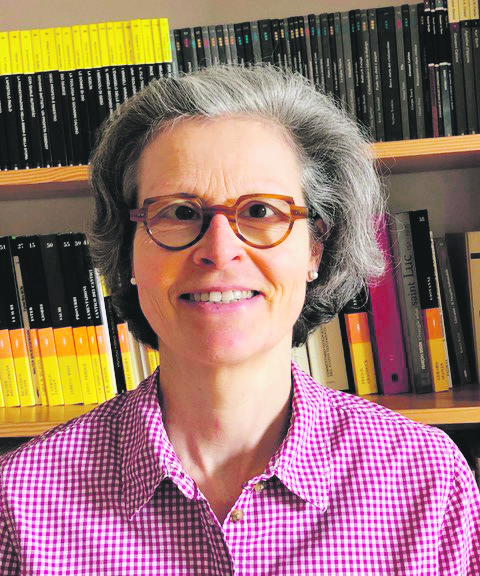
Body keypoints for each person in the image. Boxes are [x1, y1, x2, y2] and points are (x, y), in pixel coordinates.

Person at [0, 65, 479, 575]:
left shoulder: (428, 481)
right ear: (128, 252)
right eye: (179, 212)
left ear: (315, 249)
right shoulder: (20, 501)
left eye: (260, 212)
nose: (220, 250)